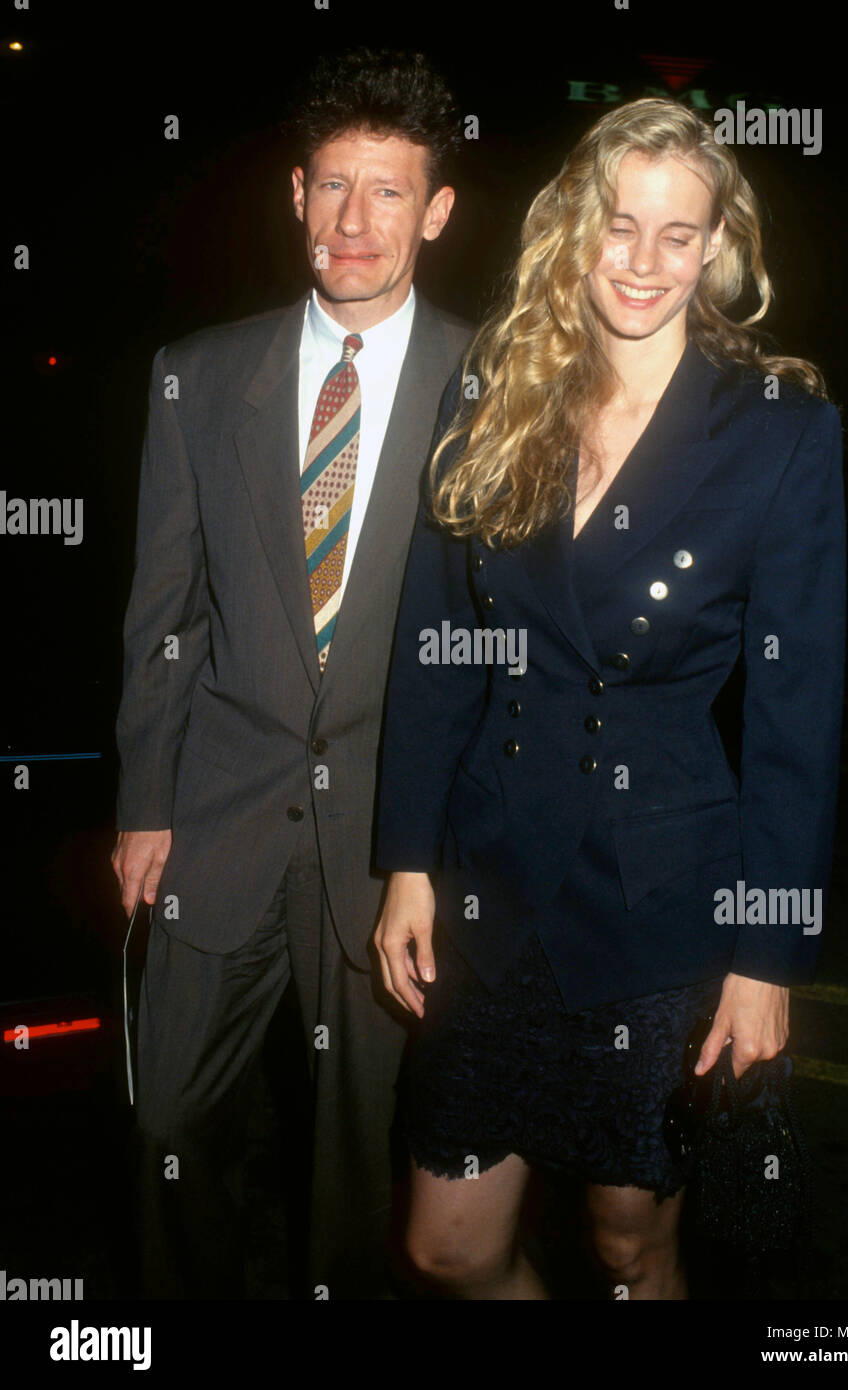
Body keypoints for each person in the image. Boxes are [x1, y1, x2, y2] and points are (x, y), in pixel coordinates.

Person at [373, 96, 846, 1300]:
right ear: (574, 229)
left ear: (716, 248)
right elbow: (436, 637)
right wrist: (408, 860)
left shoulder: (780, 427)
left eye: (676, 235)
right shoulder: (496, 384)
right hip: (489, 884)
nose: (643, 263)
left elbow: (798, 713)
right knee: (448, 1247)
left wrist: (768, 957)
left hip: (658, 909)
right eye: (619, 226)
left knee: (634, 1246)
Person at [110, 48, 472, 1299]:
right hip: (215, 810)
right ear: (295, 197)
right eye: (331, 186)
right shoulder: (198, 376)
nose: (353, 221)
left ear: (435, 211)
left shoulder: (490, 391)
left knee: (357, 1165)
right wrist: (143, 799)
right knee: (165, 1132)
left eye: (386, 192)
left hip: (391, 842)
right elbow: (164, 608)